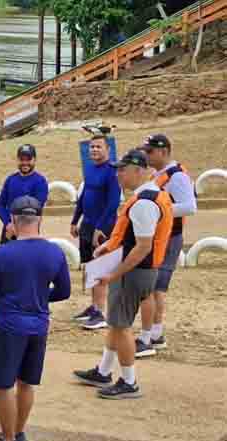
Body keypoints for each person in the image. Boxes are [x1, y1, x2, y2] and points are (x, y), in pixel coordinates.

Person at [73, 149, 173, 400]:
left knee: (122, 326)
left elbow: (142, 247)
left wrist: (114, 273)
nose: (118, 175)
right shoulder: (153, 196)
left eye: (122, 170)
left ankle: (129, 382)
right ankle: (105, 370)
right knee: (118, 324)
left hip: (133, 271)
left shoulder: (143, 203)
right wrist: (110, 246)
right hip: (138, 270)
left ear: (138, 171)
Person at [0, 196, 71, 441]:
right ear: (39, 220)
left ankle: (7, 440)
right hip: (38, 323)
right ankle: (18, 431)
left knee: (4, 384)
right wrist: (41, 297)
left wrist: (7, 297)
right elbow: (63, 291)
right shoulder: (55, 252)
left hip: (9, 323)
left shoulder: (2, 253)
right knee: (27, 382)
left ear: (13, 221)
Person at [136, 134, 196, 357]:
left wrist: (159, 209)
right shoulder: (160, 174)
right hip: (161, 236)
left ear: (163, 151)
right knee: (154, 287)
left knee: (157, 287)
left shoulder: (177, 176)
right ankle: (153, 334)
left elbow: (190, 206)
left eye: (150, 151)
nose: (146, 155)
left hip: (169, 237)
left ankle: (153, 335)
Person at [70, 135, 121, 330]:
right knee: (90, 267)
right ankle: (93, 307)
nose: (94, 150)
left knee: (100, 268)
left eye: (98, 147)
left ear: (107, 149)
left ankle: (100, 312)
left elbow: (113, 203)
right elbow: (83, 198)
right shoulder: (90, 169)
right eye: (91, 147)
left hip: (103, 228)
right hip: (87, 226)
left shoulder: (112, 172)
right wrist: (75, 220)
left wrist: (100, 227)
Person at [0, 145, 49, 245]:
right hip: (9, 230)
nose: (25, 163)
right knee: (5, 259)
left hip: (29, 232)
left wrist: (17, 228)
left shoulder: (40, 182)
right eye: (22, 159)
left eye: (28, 159)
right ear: (17, 160)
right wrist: (8, 223)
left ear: (34, 160)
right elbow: (0, 205)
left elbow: (36, 209)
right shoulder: (10, 180)